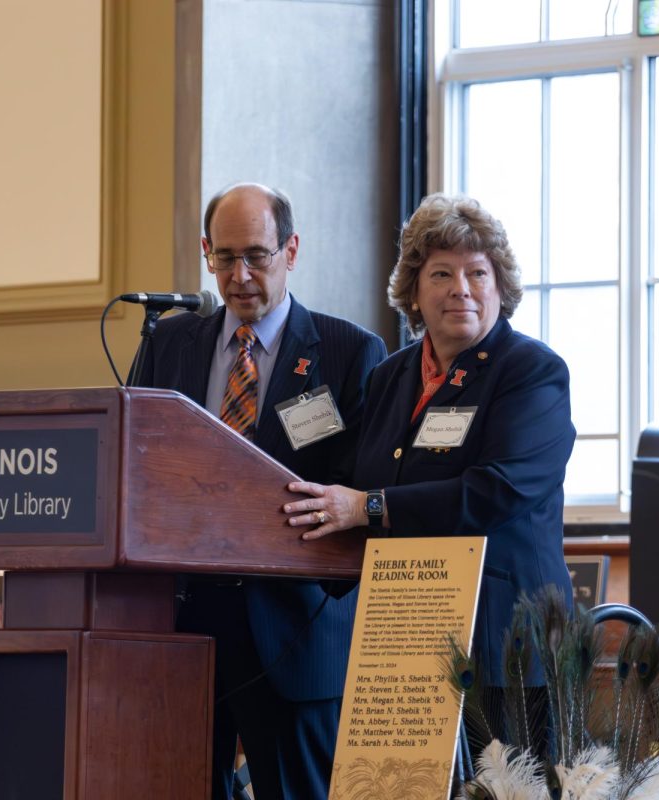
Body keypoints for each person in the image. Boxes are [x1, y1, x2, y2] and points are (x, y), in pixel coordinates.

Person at [131, 182, 387, 800]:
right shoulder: (166, 346)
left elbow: (367, 485)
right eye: (224, 258)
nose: (240, 275)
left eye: (257, 255)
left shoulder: (351, 353)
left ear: (291, 251)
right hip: (184, 621)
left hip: (294, 624)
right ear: (205, 253)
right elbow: (134, 461)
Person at [283, 192, 575, 713]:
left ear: (499, 288)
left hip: (504, 644)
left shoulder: (531, 371)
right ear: (414, 291)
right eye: (441, 274)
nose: (460, 290)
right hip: (403, 640)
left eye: (477, 274)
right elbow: (351, 478)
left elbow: (496, 491)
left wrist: (369, 507)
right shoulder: (388, 376)